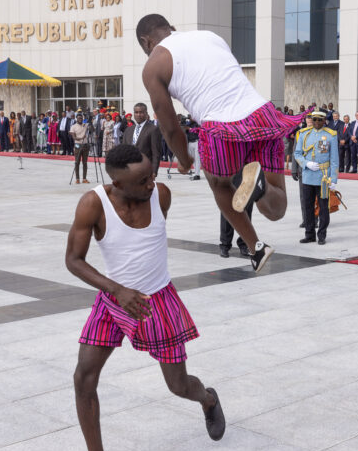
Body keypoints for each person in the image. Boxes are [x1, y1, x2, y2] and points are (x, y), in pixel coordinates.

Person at [66, 144, 225, 451]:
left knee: (178, 386)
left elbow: (145, 245)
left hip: (157, 301)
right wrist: (117, 289)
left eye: (152, 174)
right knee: (84, 378)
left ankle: (207, 399)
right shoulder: (93, 204)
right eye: (143, 181)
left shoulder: (161, 195)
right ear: (117, 184)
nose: (152, 184)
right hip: (113, 299)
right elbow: (73, 260)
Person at [137, 14, 309, 272]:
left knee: (219, 183)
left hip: (219, 127)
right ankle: (259, 186)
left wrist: (185, 161)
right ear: (172, 27)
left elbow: (169, 126)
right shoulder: (209, 36)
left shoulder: (154, 64)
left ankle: (255, 247)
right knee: (277, 209)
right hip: (261, 114)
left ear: (146, 41)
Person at [293, 111, 339, 245]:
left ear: (325, 120)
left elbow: (334, 159)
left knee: (324, 207)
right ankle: (309, 234)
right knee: (308, 206)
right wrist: (306, 163)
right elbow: (297, 153)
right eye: (315, 120)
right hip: (307, 175)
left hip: (323, 177)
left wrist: (333, 179)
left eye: (320, 120)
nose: (317, 123)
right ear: (311, 120)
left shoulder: (331, 135)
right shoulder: (304, 134)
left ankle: (322, 234)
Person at [123, 103, 161, 176]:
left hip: (145, 170)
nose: (138, 115)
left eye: (141, 112)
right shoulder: (128, 130)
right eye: (136, 112)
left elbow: (156, 153)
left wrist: (154, 171)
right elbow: (123, 151)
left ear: (146, 113)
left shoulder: (153, 129)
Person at [292, 114, 314, 228]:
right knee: (303, 197)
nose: (309, 119)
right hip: (303, 169)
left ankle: (315, 219)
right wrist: (294, 169)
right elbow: (295, 151)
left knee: (316, 197)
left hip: (316, 171)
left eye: (312, 117)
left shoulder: (320, 133)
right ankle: (306, 219)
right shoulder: (300, 133)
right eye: (308, 118)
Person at [70, 113, 90, 184]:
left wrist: (89, 121)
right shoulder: (73, 126)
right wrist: (81, 138)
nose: (80, 119)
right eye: (79, 118)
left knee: (85, 162)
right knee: (77, 162)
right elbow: (74, 137)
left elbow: (92, 129)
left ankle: (84, 178)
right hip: (77, 145)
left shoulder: (85, 125)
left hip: (85, 145)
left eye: (81, 118)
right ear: (76, 119)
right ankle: (77, 179)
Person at [183, 114, 202, 180]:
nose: (190, 118)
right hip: (190, 142)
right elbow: (184, 130)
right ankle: (196, 172)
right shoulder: (188, 124)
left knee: (197, 158)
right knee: (193, 158)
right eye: (190, 117)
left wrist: (190, 129)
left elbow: (197, 130)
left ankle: (197, 174)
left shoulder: (198, 123)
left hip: (197, 142)